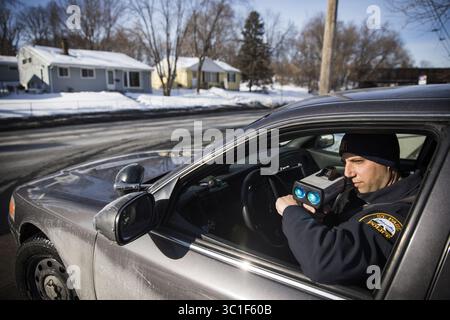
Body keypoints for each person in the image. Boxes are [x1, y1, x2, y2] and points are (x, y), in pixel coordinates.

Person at [275, 133, 422, 286]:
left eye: (357, 161)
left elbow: (324, 264)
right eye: (345, 162)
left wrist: (291, 211)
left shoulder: (399, 216)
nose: (347, 173)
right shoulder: (367, 194)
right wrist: (324, 220)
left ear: (387, 163)